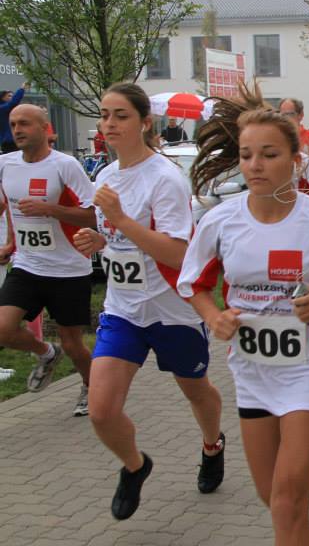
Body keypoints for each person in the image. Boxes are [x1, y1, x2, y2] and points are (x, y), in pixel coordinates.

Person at [179, 83, 309, 545]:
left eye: (269, 154)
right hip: (252, 372)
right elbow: (192, 283)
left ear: (295, 161)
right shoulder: (220, 221)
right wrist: (213, 317)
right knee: (275, 500)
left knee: (288, 501)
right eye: (247, 155)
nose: (255, 165)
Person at [73, 83, 225, 520]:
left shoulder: (165, 179)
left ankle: (212, 445)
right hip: (124, 310)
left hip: (171, 310)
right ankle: (135, 466)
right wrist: (101, 239)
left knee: (196, 390)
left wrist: (120, 220)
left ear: (144, 123)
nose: (109, 124)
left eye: (120, 115)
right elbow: (123, 241)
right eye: (105, 115)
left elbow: (177, 253)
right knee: (101, 411)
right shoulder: (106, 176)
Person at [0, 104, 96, 415]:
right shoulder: (5, 165)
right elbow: (8, 207)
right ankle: (45, 352)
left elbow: (94, 215)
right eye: (13, 124)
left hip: (69, 269)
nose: (17, 130)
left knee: (73, 343)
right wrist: (10, 243)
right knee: (3, 328)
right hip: (28, 265)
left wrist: (50, 209)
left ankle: (90, 387)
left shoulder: (65, 166)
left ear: (45, 128)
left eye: (24, 123)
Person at [0, 82, 29, 153]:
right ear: (2, 98)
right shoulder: (2, 108)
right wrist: (22, 89)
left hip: (13, 140)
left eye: (12, 96)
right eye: (9, 96)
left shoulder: (8, 109)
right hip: (9, 141)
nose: (12, 97)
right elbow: (13, 102)